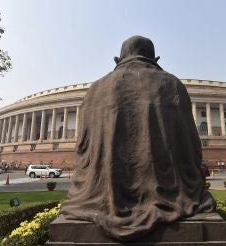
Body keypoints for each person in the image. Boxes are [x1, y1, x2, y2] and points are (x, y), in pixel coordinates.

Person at [61, 36, 215, 241]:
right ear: (155, 58)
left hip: (99, 196)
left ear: (117, 59)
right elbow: (192, 145)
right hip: (170, 193)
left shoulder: (95, 90)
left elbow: (83, 148)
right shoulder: (172, 84)